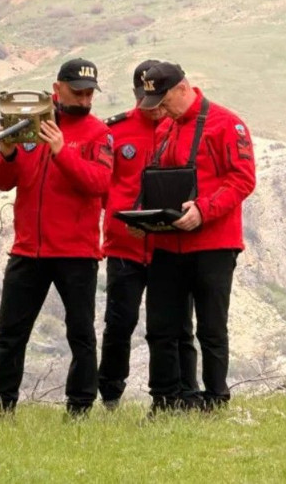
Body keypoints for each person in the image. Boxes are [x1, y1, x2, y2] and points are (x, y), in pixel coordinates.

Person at [0, 58, 113, 417]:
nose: (85, 100)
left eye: (90, 93)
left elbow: (99, 184)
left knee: (80, 334)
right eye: (78, 92)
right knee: (11, 334)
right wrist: (8, 152)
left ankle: (80, 407)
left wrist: (62, 152)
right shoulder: (29, 126)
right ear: (57, 89)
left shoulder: (99, 134)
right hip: (28, 249)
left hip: (76, 253)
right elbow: (2, 181)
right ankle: (0, 406)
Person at [138, 61, 256, 413]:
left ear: (182, 88)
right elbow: (157, 182)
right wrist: (143, 216)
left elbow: (242, 180)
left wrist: (204, 209)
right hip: (167, 244)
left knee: (211, 327)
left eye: (163, 99)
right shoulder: (164, 128)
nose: (159, 107)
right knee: (162, 326)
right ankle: (168, 400)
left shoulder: (225, 124)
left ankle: (216, 398)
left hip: (214, 245)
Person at [98, 59, 200, 409]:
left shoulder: (180, 127)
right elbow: (100, 187)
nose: (154, 109)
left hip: (167, 247)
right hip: (124, 246)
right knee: (119, 322)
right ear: (136, 94)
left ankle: (184, 394)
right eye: (146, 98)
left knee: (177, 326)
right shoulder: (114, 131)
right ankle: (110, 394)